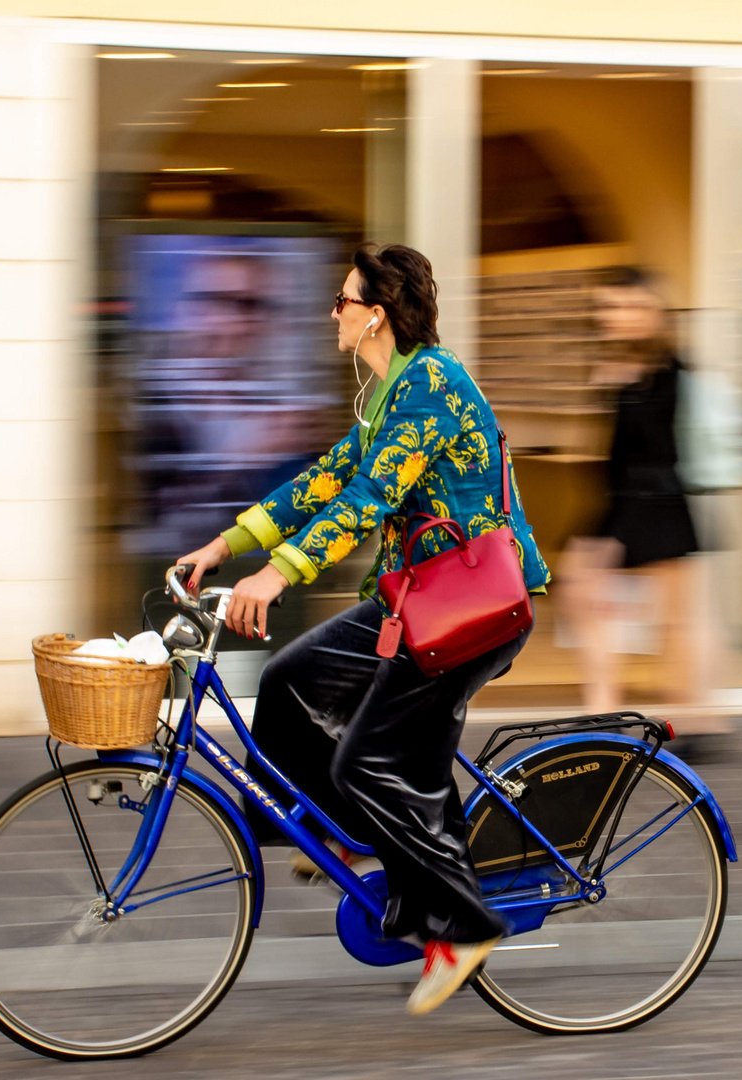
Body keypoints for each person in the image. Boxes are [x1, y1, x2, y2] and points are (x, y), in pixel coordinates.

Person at [175, 243, 551, 1016]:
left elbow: (370, 500)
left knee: (368, 763)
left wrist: (278, 574)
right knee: (287, 682)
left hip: (469, 611)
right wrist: (227, 544)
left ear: (376, 313)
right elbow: (327, 479)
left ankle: (461, 927)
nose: (333, 312)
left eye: (342, 300)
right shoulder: (388, 392)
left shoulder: (432, 385)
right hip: (414, 600)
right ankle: (346, 838)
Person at [557, 267, 731, 760]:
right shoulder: (630, 367)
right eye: (607, 307)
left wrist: (613, 535)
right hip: (639, 506)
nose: (613, 317)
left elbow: (647, 455)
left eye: (625, 307)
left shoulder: (663, 372)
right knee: (674, 618)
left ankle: (627, 715)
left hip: (650, 507)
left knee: (673, 619)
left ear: (651, 313)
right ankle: (685, 718)